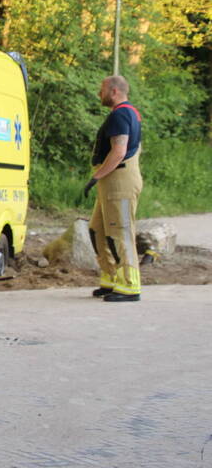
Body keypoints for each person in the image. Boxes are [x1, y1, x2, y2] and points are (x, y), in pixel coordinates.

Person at [83, 74, 143, 302]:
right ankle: (111, 277)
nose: (100, 94)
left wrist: (96, 176)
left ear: (114, 91)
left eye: (102, 89)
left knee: (120, 232)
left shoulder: (120, 114)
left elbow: (119, 151)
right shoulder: (126, 113)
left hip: (119, 179)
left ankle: (129, 284)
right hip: (112, 179)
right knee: (97, 230)